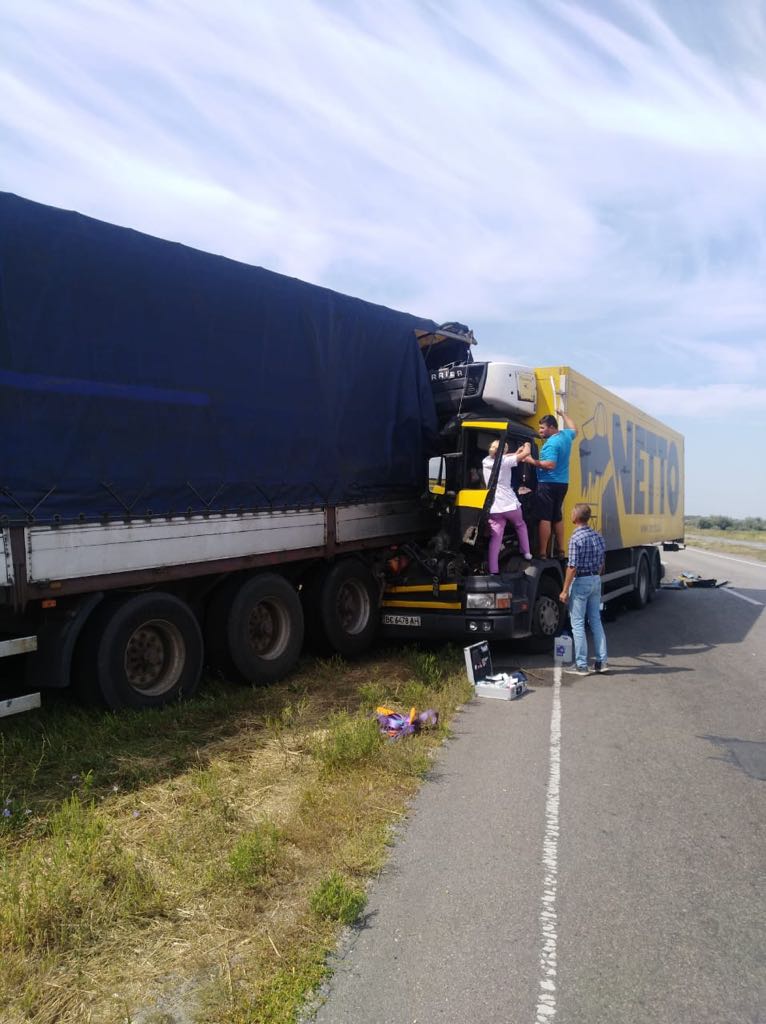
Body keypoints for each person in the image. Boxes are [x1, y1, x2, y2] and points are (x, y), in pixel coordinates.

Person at [559, 503, 607, 676]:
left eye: (572, 511)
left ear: (576, 517)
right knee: (596, 621)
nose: (570, 514)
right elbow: (602, 564)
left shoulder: (575, 538)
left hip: (582, 581)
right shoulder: (598, 536)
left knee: (577, 624)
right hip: (596, 579)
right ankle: (601, 662)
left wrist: (565, 590)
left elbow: (572, 566)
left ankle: (581, 665)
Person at [523, 409, 577, 557]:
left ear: (552, 428)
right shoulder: (566, 435)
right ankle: (560, 549)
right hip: (562, 483)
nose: (540, 431)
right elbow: (574, 428)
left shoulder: (551, 444)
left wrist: (531, 460)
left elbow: (550, 465)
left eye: (542, 428)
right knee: (557, 517)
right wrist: (563, 414)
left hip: (548, 483)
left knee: (545, 517)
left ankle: (542, 552)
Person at [482, 439, 533, 572]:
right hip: (509, 505)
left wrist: (515, 453)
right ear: (503, 451)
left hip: (494, 507)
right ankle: (526, 552)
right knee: (520, 525)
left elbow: (504, 457)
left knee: (496, 538)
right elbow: (526, 453)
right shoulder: (505, 462)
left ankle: (494, 569)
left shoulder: (486, 461)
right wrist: (527, 445)